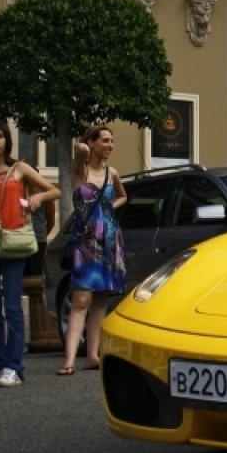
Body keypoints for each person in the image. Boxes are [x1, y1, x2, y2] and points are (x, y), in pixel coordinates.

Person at [0, 119, 59, 387]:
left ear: (7, 140)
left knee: (13, 306)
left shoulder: (19, 169)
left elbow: (55, 190)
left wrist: (38, 198)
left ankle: (14, 366)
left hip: (14, 242)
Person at [59, 125, 127, 376]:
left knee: (100, 299)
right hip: (86, 242)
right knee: (80, 300)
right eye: (105, 140)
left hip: (109, 240)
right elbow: (78, 152)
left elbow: (123, 196)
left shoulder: (113, 173)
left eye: (112, 141)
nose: (110, 145)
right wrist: (84, 147)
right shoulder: (81, 170)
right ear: (92, 143)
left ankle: (92, 355)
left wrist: (110, 208)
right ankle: (69, 360)